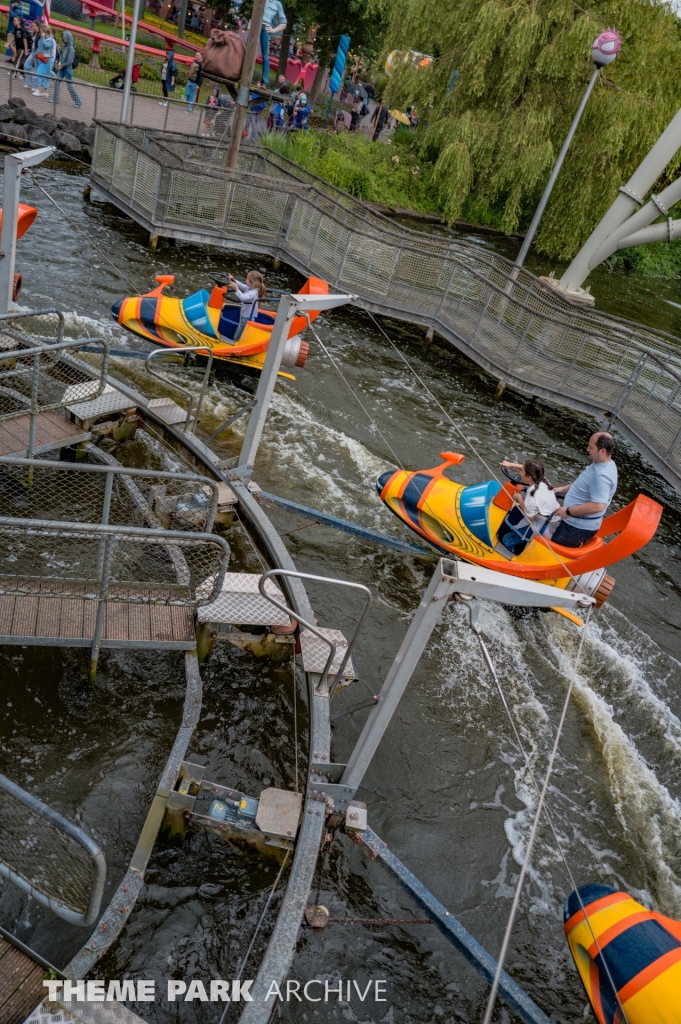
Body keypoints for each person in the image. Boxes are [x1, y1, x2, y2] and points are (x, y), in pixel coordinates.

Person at [550, 432, 618, 548]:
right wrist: (559, 490)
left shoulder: (601, 476)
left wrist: (567, 511)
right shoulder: (604, 464)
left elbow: (598, 506)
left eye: (591, 447)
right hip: (575, 523)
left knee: (553, 550)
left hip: (576, 526)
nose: (587, 449)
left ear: (602, 451)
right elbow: (582, 486)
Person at [496, 459, 559, 555]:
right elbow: (527, 468)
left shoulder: (532, 493)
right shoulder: (543, 479)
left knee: (506, 540)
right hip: (554, 518)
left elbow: (529, 517)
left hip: (542, 524)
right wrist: (510, 464)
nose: (520, 472)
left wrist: (519, 498)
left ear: (529, 477)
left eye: (521, 471)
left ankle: (513, 555)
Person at [226, 270, 265, 340]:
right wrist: (233, 280)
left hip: (247, 317)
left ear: (252, 283)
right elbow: (241, 285)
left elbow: (243, 298)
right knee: (241, 329)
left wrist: (236, 288)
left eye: (247, 279)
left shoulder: (253, 293)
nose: (245, 280)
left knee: (239, 333)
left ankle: (236, 342)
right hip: (245, 314)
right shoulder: (249, 287)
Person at [259, 0, 286, 87]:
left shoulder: (277, 4)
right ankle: (241, 72)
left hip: (265, 27)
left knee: (265, 54)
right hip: (255, 24)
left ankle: (265, 81)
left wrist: (273, 30)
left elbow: (284, 23)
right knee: (248, 49)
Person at [53, 30, 82, 108]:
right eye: (63, 37)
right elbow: (62, 57)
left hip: (67, 69)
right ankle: (55, 98)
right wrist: (59, 62)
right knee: (57, 82)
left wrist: (62, 64)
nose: (63, 38)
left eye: (64, 37)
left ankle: (78, 101)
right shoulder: (65, 47)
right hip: (62, 68)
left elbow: (70, 61)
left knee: (69, 86)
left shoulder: (71, 49)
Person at [33, 26, 56, 97]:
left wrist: (42, 38)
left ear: (45, 32)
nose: (40, 33)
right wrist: (34, 54)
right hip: (41, 59)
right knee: (46, 75)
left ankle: (37, 89)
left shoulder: (51, 41)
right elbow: (39, 48)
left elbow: (46, 46)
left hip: (46, 60)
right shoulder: (42, 39)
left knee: (39, 73)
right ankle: (45, 92)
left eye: (42, 32)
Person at [22, 21, 41, 89]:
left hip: (37, 54)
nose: (32, 27)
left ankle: (35, 86)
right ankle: (29, 83)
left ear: (38, 27)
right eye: (32, 26)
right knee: (26, 65)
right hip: (33, 52)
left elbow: (39, 46)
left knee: (37, 70)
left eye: (34, 26)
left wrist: (34, 55)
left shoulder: (40, 35)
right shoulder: (34, 33)